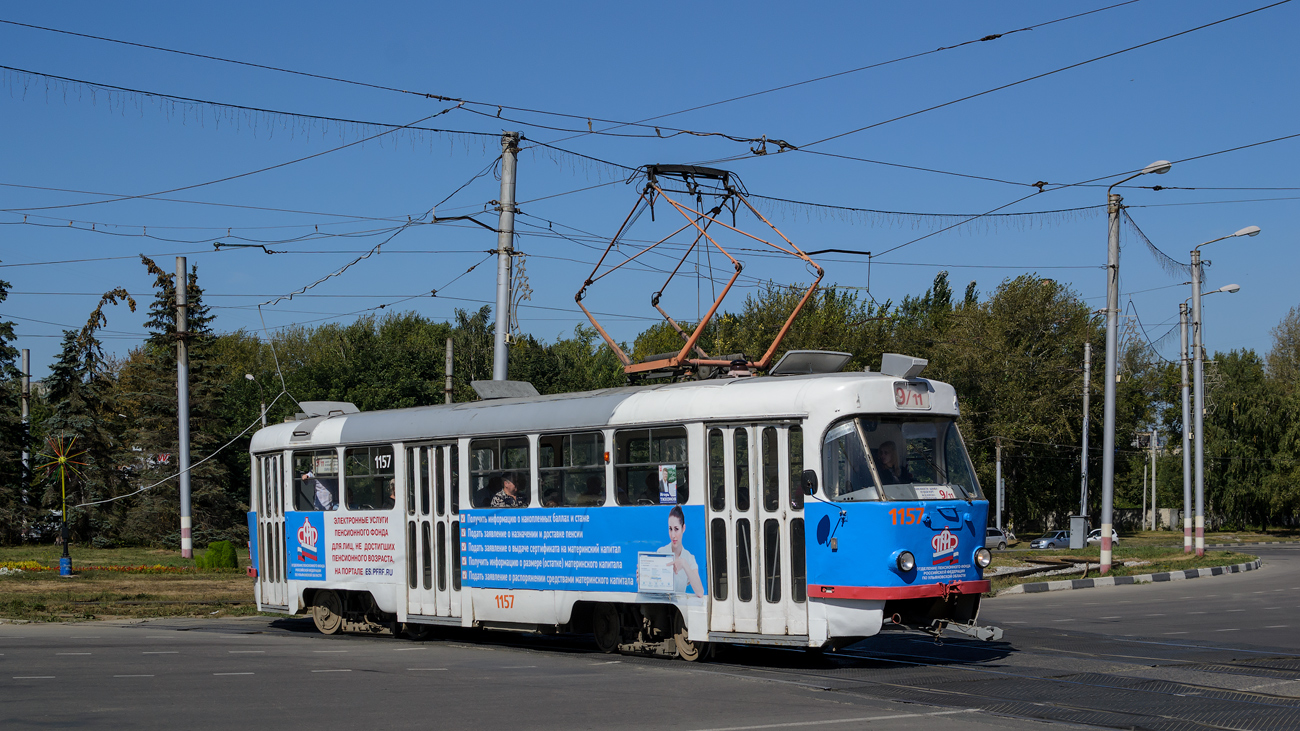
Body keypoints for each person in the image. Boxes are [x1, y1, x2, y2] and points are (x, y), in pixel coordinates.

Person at [657, 505, 704, 596]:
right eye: (670, 529)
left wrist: (684, 564)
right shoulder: (661, 552)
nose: (673, 535)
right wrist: (644, 579)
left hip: (679, 608)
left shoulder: (689, 558)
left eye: (676, 529)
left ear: (683, 528)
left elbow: (700, 592)